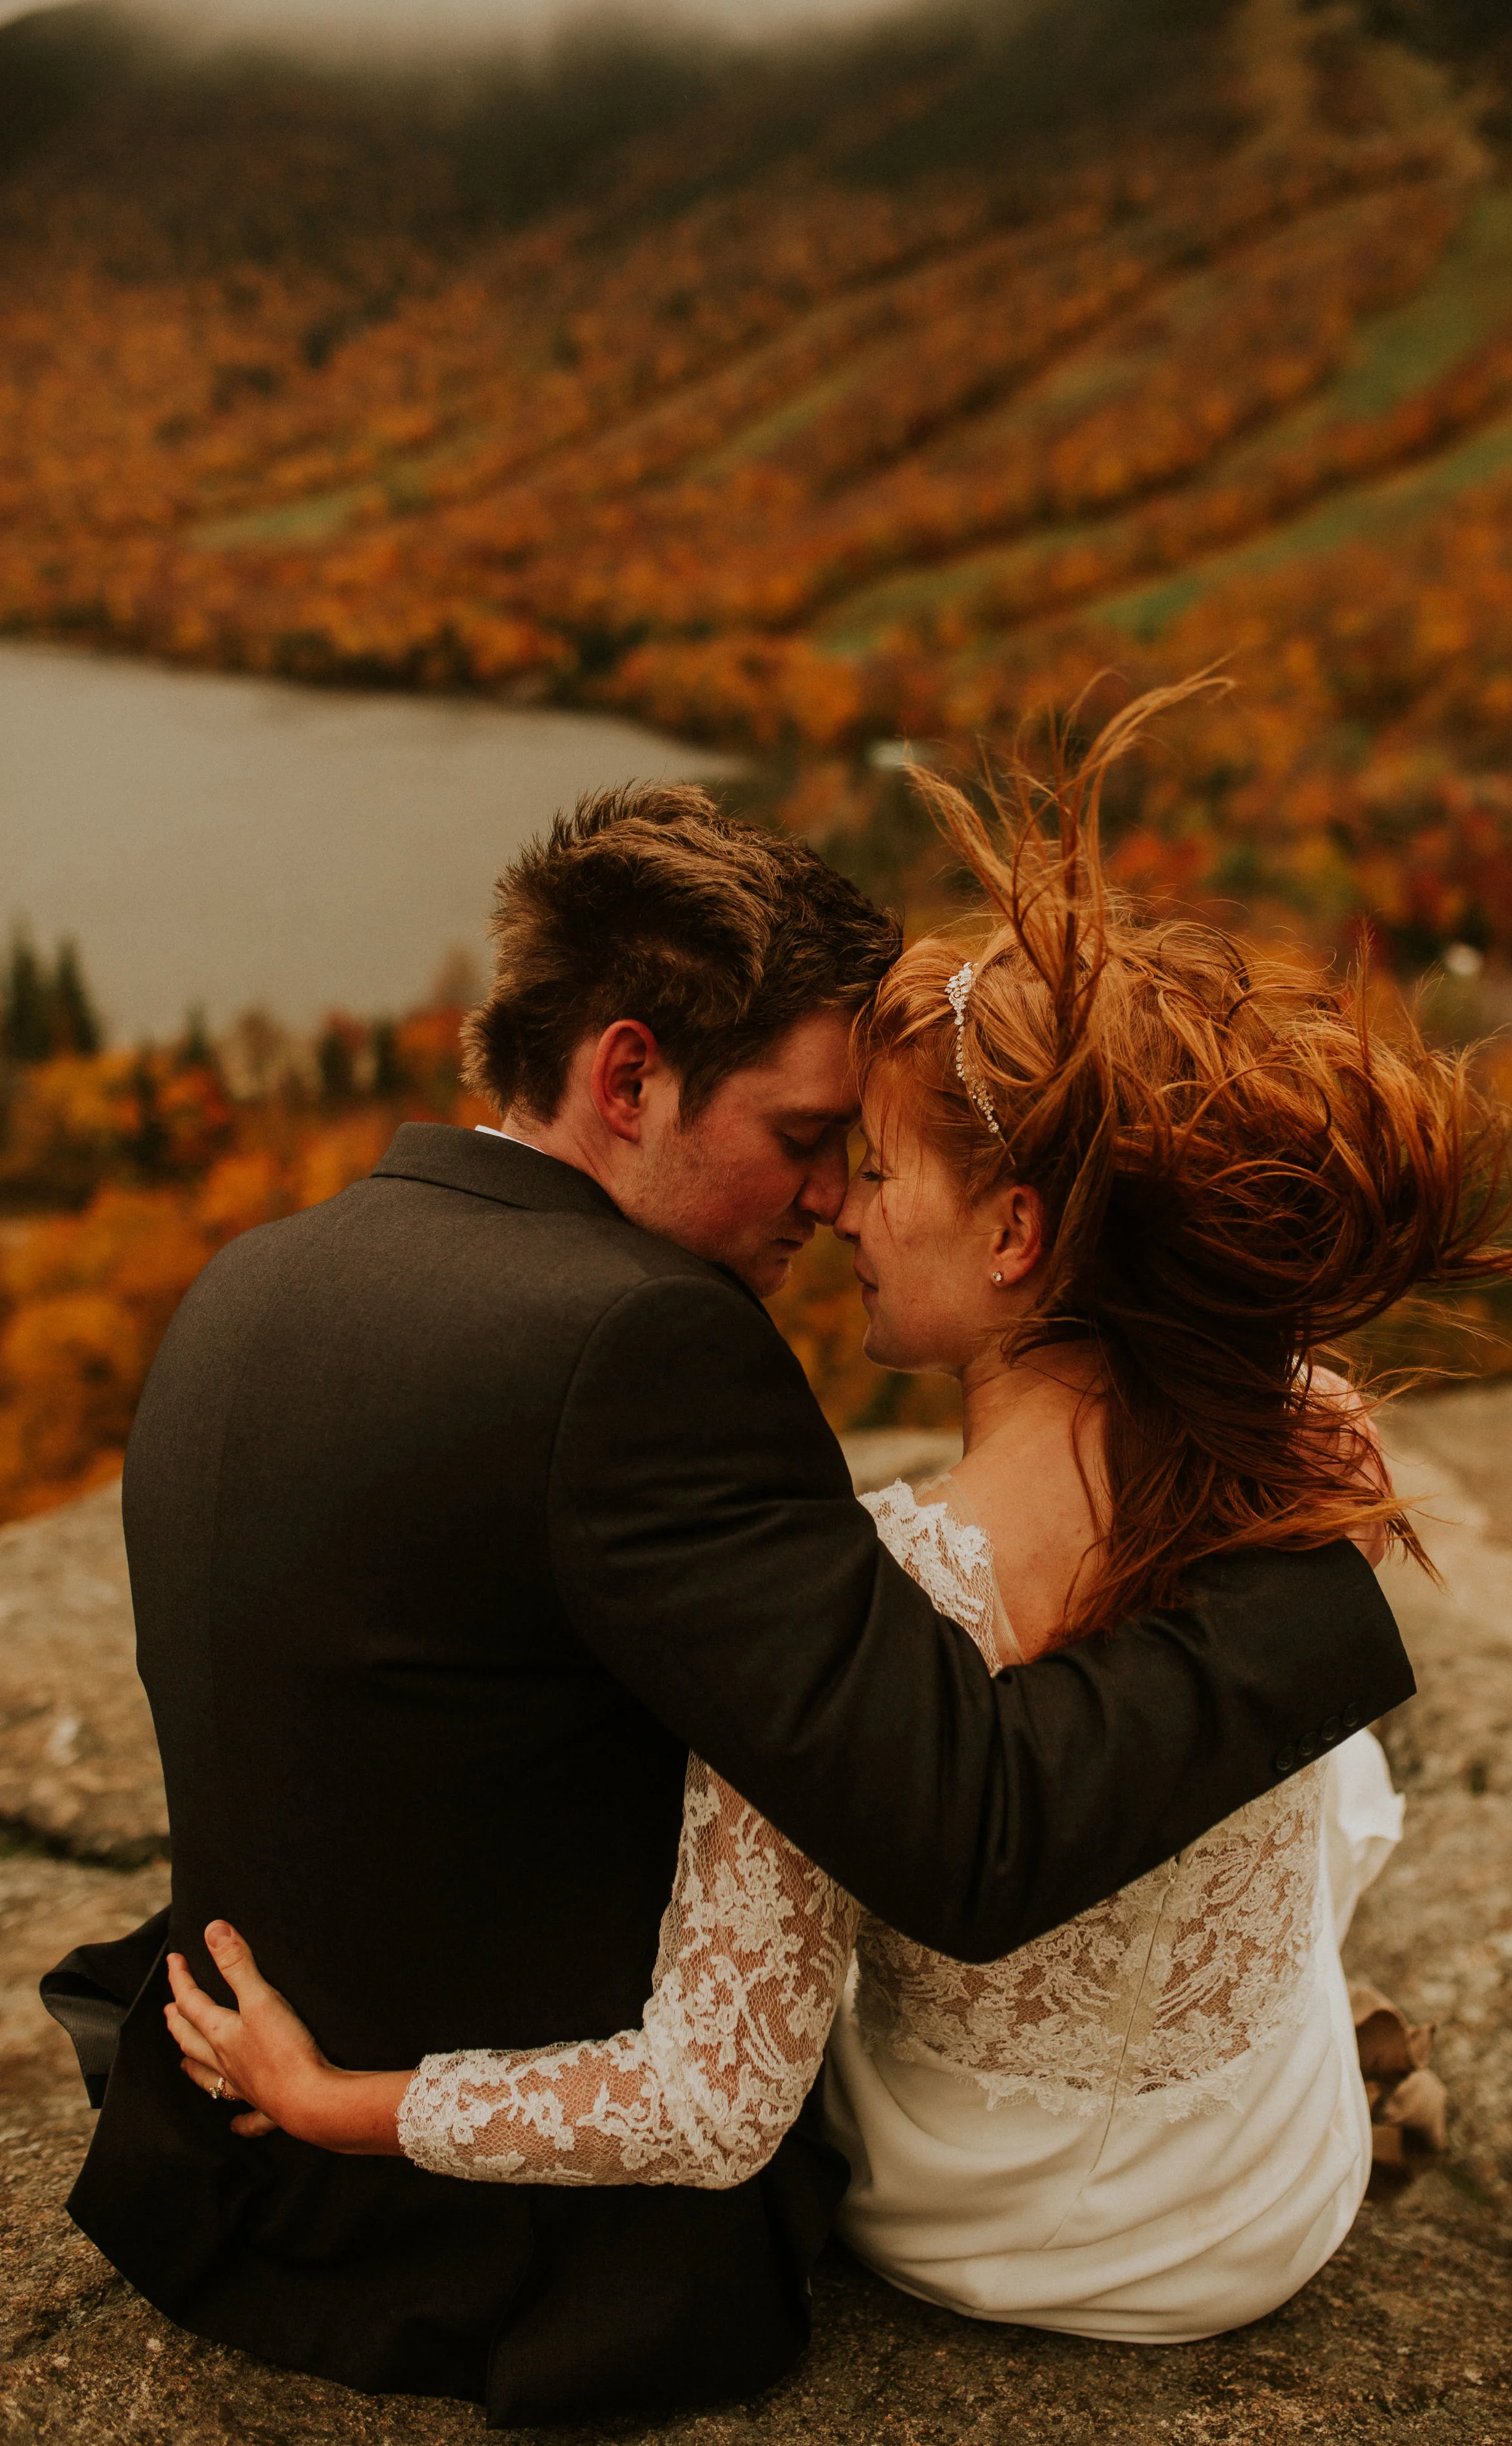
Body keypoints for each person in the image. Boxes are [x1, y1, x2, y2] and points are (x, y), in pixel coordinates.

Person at [48, 772, 1415, 2429]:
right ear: (629, 1075)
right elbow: (965, 1818)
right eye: (797, 1138)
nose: (825, 1194)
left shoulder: (258, 1277)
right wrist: (1318, 1575)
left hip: (222, 2141)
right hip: (515, 2252)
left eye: (854, 1154)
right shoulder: (639, 1341)